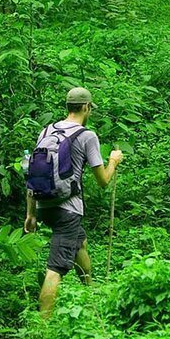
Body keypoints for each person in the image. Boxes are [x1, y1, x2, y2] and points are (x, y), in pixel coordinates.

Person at [23, 87, 123, 317]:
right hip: (67, 209)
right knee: (55, 269)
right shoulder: (86, 136)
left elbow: (33, 174)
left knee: (80, 243)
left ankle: (91, 295)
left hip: (43, 205)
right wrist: (113, 161)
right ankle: (43, 327)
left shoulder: (46, 131)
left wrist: (31, 214)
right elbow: (103, 180)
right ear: (86, 107)